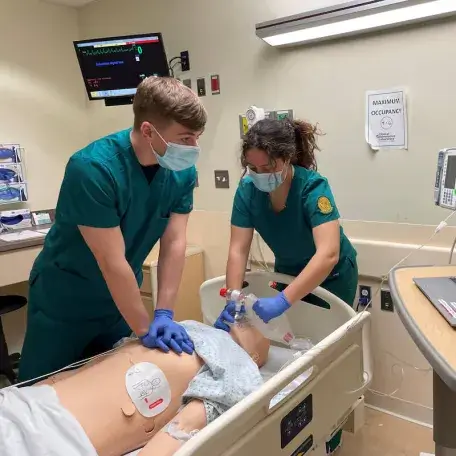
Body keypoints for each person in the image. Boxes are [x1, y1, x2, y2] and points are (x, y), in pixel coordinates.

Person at [19, 77, 207, 382]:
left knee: (116, 384)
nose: (194, 148)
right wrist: (144, 328)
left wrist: (164, 313)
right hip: (66, 300)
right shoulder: (93, 169)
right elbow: (111, 260)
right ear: (148, 130)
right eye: (185, 138)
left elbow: (174, 242)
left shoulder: (181, 171)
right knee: (41, 393)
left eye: (197, 137)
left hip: (118, 301)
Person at [215, 117, 358, 455]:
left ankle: (330, 435)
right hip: (289, 274)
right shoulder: (248, 191)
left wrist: (283, 302)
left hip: (332, 279)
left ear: (288, 158)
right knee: (295, 352)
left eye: (268, 165)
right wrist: (232, 297)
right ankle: (298, 427)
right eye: (252, 166)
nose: (260, 173)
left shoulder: (312, 188)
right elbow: (237, 250)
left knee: (327, 357)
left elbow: (328, 254)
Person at [1, 320, 268, 456]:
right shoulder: (183, 327)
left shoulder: (239, 367)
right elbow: (100, 363)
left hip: (54, 438)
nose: (242, 321)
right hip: (24, 405)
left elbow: (184, 427)